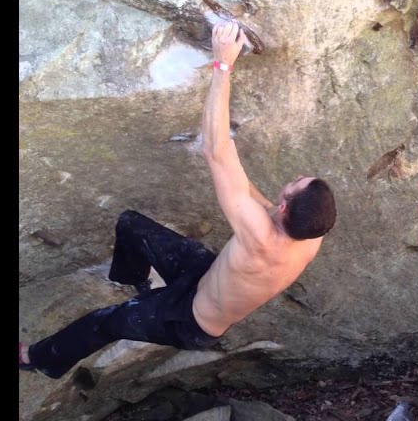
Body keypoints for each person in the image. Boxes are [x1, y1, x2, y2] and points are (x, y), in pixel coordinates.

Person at [20, 21, 337, 379]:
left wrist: (223, 64)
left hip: (189, 319)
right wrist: (230, 166)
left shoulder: (260, 238)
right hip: (206, 277)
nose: (293, 178)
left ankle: (40, 359)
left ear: (284, 207)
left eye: (294, 183)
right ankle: (135, 281)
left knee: (103, 323)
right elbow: (246, 188)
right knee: (130, 224)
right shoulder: (311, 232)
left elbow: (215, 150)